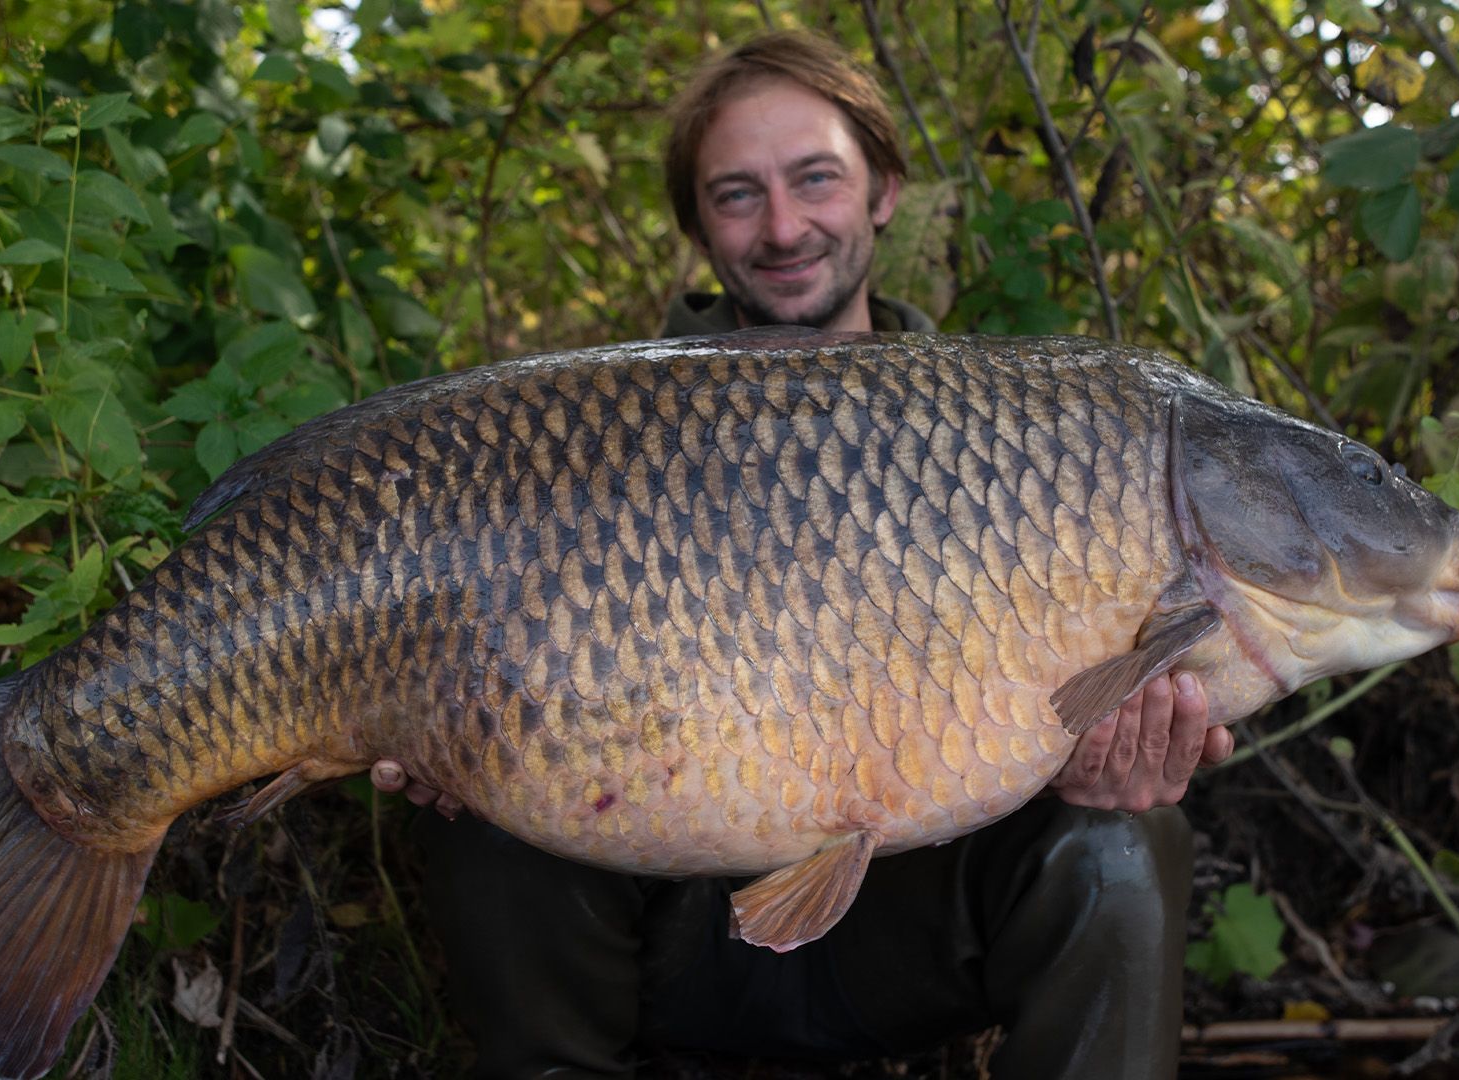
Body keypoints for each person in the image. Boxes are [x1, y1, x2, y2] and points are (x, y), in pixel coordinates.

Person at [400, 31, 1234, 1078]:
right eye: (737, 194)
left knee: (1126, 845)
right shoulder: (586, 431)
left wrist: (1109, 766)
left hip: (903, 940)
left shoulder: (1020, 432)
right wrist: (433, 720)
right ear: (697, 225)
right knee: (492, 805)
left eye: (816, 179)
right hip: (654, 934)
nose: (784, 227)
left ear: (884, 191)